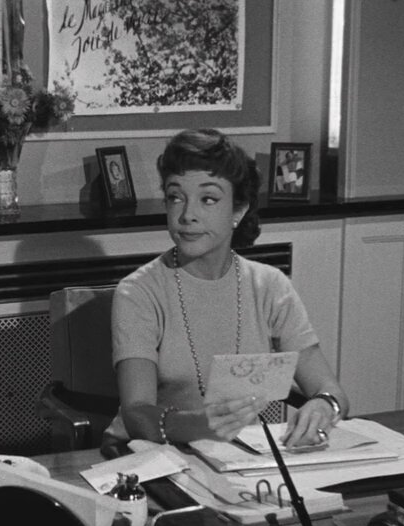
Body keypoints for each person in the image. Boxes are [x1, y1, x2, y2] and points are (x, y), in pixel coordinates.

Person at [103, 128, 349, 449]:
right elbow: (136, 413)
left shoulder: (270, 286)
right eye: (176, 197)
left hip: (244, 455)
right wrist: (198, 426)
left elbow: (331, 391)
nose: (187, 215)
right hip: (154, 455)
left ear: (238, 210)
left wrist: (324, 406)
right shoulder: (138, 292)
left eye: (208, 199)